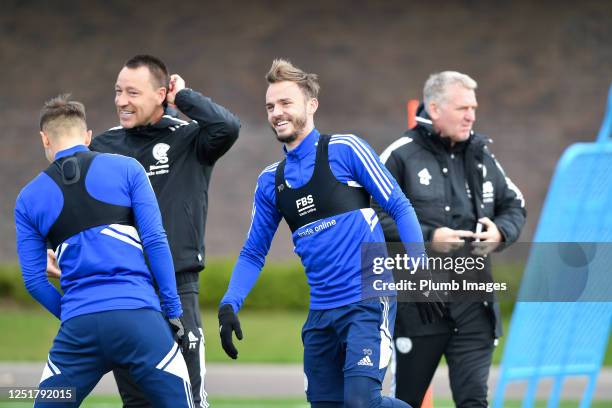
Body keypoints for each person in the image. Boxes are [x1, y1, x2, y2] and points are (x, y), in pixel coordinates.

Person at [217, 59, 424, 408]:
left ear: (311, 105)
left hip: (367, 301)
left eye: (285, 103)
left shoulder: (346, 149)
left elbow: (399, 206)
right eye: (270, 106)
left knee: (362, 403)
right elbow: (254, 252)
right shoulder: (271, 182)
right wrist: (228, 304)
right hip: (321, 313)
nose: (277, 113)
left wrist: (418, 266)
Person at [15, 95, 193, 407]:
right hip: (141, 320)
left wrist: (72, 313)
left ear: (44, 139)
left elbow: (34, 280)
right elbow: (155, 241)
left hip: (79, 329)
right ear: (87, 137)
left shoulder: (28, 198)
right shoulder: (128, 169)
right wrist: (173, 312)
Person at [84, 54, 240, 408]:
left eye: (132, 93)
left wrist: (182, 98)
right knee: (137, 401)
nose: (121, 101)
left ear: (160, 94)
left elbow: (228, 127)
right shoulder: (104, 147)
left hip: (178, 289)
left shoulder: (189, 139)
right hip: (125, 289)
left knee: (187, 399)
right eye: (118, 91)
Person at [375, 71, 526, 407]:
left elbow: (515, 204)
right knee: (405, 402)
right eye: (462, 108)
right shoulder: (399, 155)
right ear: (435, 108)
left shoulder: (482, 155)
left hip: (474, 306)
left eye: (473, 107)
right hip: (418, 309)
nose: (471, 115)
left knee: (474, 401)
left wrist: (501, 232)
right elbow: (371, 218)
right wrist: (428, 239)